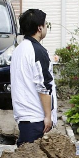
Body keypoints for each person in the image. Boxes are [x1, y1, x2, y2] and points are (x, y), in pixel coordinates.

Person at [10, 9, 57, 146]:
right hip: (35, 117)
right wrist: (48, 116)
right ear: (39, 28)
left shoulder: (19, 49)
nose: (46, 28)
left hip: (24, 115)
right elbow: (43, 86)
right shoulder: (37, 51)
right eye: (45, 25)